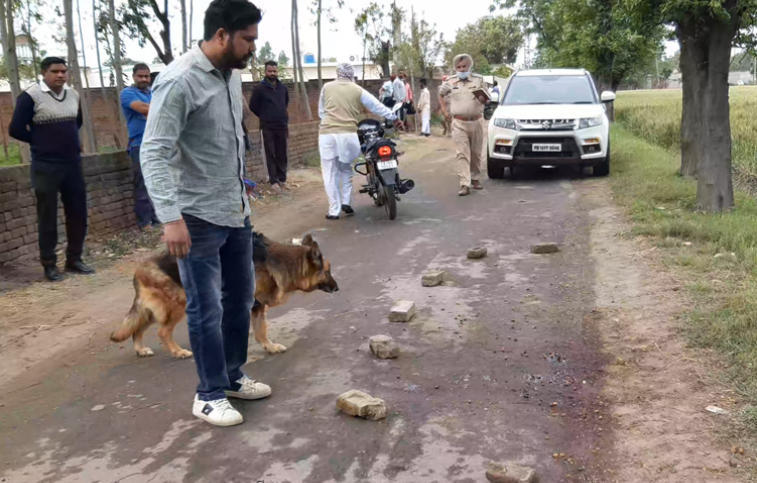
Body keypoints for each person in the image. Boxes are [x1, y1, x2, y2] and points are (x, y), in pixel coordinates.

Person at [140, 0, 270, 427]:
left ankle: (231, 376)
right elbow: (155, 151)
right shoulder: (178, 81)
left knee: (240, 299)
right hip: (195, 217)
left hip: (235, 210)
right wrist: (170, 217)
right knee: (205, 307)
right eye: (247, 38)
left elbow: (225, 142)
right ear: (221, 35)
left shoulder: (230, 76)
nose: (253, 47)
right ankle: (208, 393)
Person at [9, 57, 95, 281]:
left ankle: (74, 259)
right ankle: (49, 264)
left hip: (72, 164)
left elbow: (77, 123)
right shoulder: (30, 96)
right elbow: (16, 128)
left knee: (78, 212)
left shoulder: (73, 95)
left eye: (64, 71)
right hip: (45, 166)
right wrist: (40, 142)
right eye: (55, 71)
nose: (60, 75)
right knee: (47, 216)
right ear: (44, 73)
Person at [318, 63, 403, 220]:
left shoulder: (327, 87)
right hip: (348, 134)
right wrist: (394, 118)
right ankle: (346, 202)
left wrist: (330, 123)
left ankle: (334, 210)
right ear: (351, 75)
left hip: (327, 134)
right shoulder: (357, 89)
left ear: (338, 74)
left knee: (330, 173)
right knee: (345, 168)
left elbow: (321, 112)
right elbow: (377, 106)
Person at [438, 54, 488, 196]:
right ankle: (464, 184)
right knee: (462, 153)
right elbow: (441, 95)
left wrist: (484, 99)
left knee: (476, 153)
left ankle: (475, 178)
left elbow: (486, 100)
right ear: (455, 68)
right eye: (459, 67)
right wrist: (444, 110)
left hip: (476, 121)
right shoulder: (450, 81)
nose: (462, 69)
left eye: (464, 66)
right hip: (459, 122)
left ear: (470, 66)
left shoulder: (479, 80)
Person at [120, 63, 159, 230]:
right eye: (140, 76)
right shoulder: (128, 93)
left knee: (158, 184)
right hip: (140, 145)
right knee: (142, 184)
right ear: (134, 76)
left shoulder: (153, 93)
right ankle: (145, 223)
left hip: (158, 144)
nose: (144, 79)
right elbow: (143, 109)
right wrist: (165, 108)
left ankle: (158, 220)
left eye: (147, 76)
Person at [250, 60, 290, 192]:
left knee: (282, 153)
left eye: (274, 71)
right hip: (267, 127)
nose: (272, 73)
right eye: (270, 71)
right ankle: (273, 181)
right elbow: (253, 106)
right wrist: (265, 116)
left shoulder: (282, 88)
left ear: (277, 72)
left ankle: (282, 179)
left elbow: (285, 103)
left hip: (282, 125)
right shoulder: (259, 89)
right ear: (265, 72)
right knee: (270, 153)